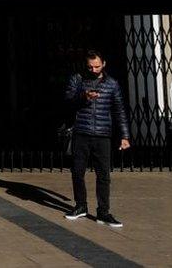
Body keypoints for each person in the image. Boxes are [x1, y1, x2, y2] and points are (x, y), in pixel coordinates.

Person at [63, 50, 130, 227]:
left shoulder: (112, 84)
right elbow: (68, 100)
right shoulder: (78, 79)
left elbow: (119, 110)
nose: (93, 70)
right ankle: (80, 206)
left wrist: (124, 135)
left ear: (104, 64)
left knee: (103, 175)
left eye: (97, 66)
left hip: (102, 134)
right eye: (90, 67)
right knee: (78, 172)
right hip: (81, 132)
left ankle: (103, 212)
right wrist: (83, 97)